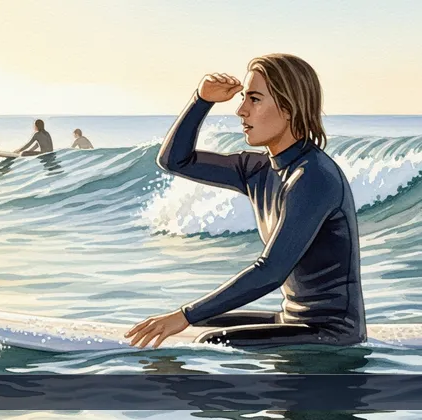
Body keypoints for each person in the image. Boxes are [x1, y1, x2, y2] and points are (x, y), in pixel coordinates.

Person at [124, 53, 366, 349]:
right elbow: (174, 160)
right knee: (199, 326)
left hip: (333, 332)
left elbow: (271, 271)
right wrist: (202, 100)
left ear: (288, 108)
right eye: (243, 98)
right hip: (290, 320)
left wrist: (184, 315)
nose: (241, 110)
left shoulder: (314, 177)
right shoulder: (259, 170)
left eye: (254, 99)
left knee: (211, 340)